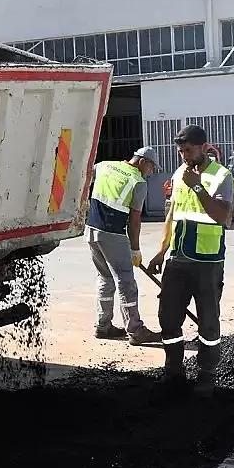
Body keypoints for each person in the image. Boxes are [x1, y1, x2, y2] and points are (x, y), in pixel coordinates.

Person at [146, 125, 234, 397]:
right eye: (180, 151)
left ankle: (207, 375)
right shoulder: (178, 174)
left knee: (208, 321)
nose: (184, 156)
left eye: (188, 150)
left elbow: (222, 216)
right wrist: (162, 251)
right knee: (168, 318)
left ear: (204, 147)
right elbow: (173, 214)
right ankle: (174, 370)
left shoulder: (221, 176)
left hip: (207, 262)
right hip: (178, 259)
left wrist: (197, 187)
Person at [87, 147, 162, 345]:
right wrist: (135, 249)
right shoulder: (138, 182)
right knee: (126, 281)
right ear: (144, 162)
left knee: (105, 278)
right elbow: (134, 219)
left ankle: (103, 326)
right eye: (152, 168)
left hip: (92, 230)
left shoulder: (104, 166)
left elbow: (83, 178)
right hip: (113, 234)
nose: (151, 172)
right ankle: (136, 331)